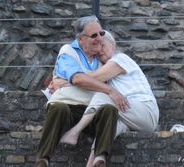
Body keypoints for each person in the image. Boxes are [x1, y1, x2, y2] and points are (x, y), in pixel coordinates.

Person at [35, 16, 129, 167]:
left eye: (101, 33)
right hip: (69, 109)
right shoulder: (68, 51)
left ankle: (100, 159)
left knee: (110, 110)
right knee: (58, 108)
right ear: (81, 40)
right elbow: (78, 79)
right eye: (94, 35)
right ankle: (43, 160)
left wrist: (65, 83)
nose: (99, 39)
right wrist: (108, 90)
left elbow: (81, 80)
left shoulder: (102, 60)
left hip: (91, 112)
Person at [60, 30, 160, 166]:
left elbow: (92, 78)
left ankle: (75, 131)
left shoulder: (119, 59)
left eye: (103, 45)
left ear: (113, 46)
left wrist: (63, 83)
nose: (100, 50)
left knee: (102, 96)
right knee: (110, 123)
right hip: (132, 115)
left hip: (145, 110)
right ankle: (95, 160)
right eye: (98, 47)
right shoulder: (109, 71)